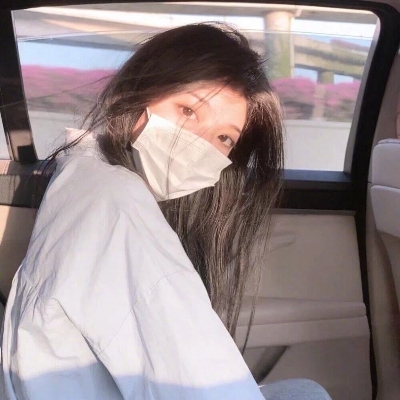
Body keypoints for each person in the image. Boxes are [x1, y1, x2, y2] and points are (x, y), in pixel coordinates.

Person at [0, 23, 331, 400]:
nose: (199, 143)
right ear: (137, 92)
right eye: (188, 110)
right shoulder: (122, 211)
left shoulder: (86, 169)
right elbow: (206, 388)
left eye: (225, 138)